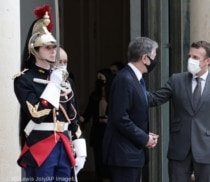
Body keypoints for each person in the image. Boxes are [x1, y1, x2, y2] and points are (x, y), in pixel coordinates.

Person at [12, 5, 87, 181]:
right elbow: (36, 113)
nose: (53, 51)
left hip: (64, 145)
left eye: (54, 46)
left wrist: (80, 150)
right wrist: (53, 85)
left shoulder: (63, 79)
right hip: (41, 145)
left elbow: (72, 117)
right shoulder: (24, 80)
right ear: (35, 50)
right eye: (47, 47)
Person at [148, 40, 210, 182]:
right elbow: (154, 99)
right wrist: (133, 84)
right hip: (179, 150)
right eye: (189, 56)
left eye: (195, 58)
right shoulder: (176, 80)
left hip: (207, 150)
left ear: (208, 61)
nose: (190, 60)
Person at [102, 37, 159, 182]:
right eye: (154, 56)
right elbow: (120, 118)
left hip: (130, 153)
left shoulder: (135, 78)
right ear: (145, 58)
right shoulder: (125, 79)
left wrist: (145, 134)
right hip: (123, 155)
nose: (155, 60)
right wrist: (144, 138)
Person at [81, 68, 114, 182]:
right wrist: (81, 119)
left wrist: (111, 120)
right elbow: (88, 112)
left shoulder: (115, 94)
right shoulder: (94, 96)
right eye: (97, 78)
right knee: (98, 157)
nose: (99, 81)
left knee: (110, 157)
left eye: (101, 78)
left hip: (110, 130)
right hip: (98, 130)